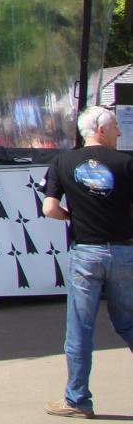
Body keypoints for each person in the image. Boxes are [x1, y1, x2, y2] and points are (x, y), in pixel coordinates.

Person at [42, 105, 133, 418]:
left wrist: (73, 217)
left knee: (80, 328)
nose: (119, 133)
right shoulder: (126, 163)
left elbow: (49, 208)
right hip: (124, 250)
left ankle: (77, 398)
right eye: (115, 128)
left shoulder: (62, 161)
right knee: (129, 322)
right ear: (102, 130)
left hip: (85, 252)